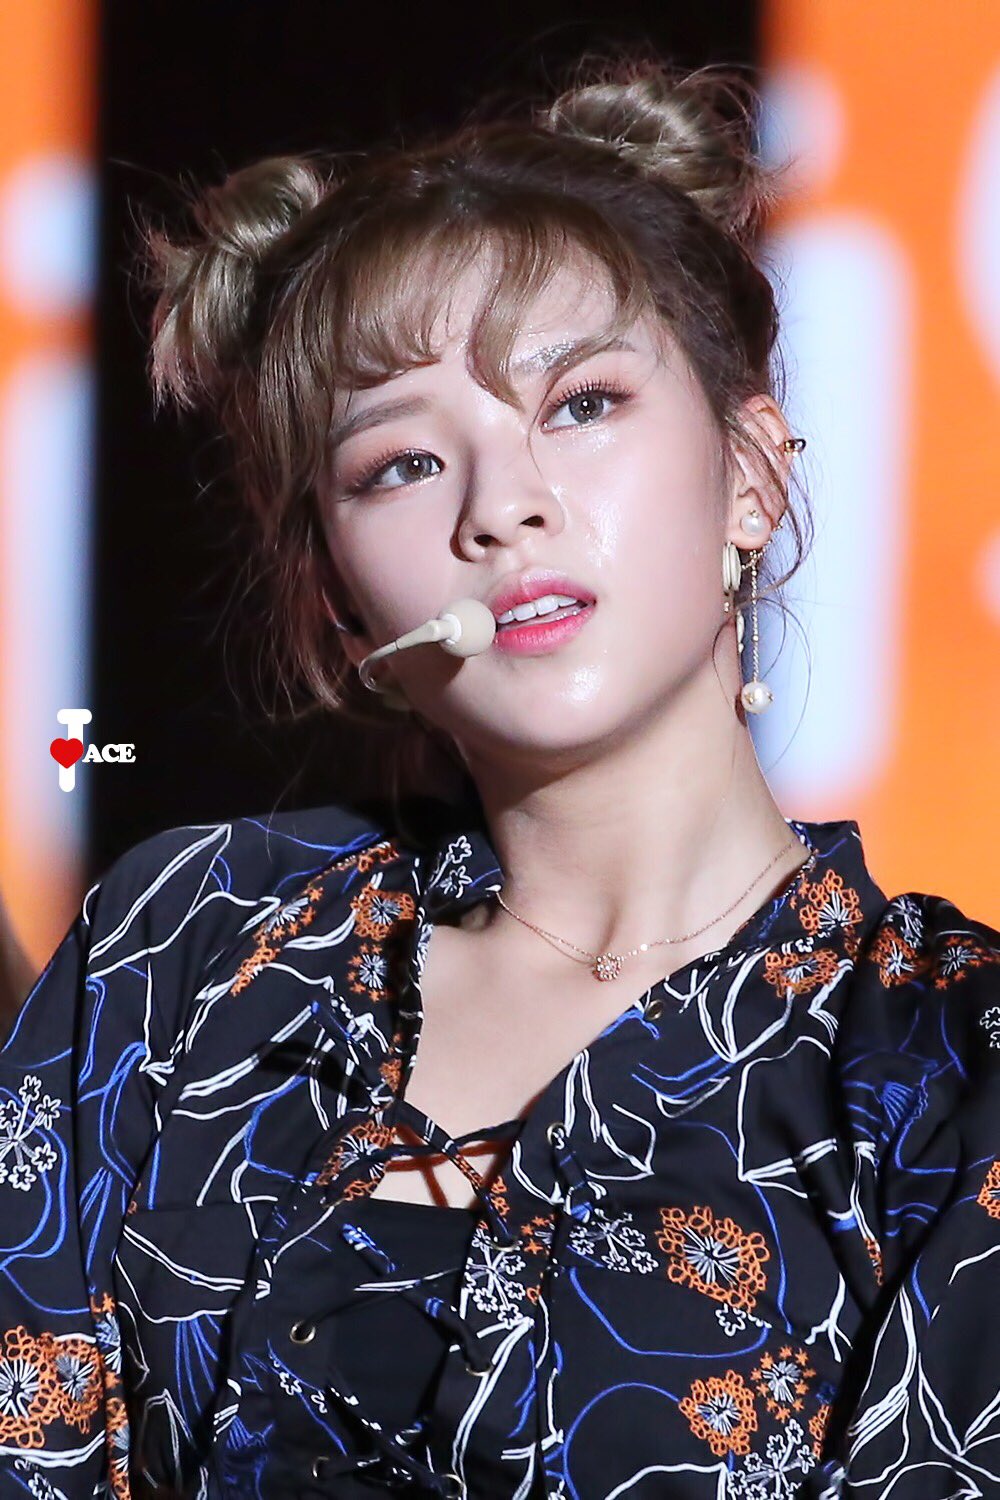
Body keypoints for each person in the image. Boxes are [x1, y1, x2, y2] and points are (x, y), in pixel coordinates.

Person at [0, 53, 997, 1500]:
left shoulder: (943, 1066)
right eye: (401, 465)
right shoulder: (193, 949)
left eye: (581, 403)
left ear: (752, 474)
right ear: (339, 603)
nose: (502, 507)